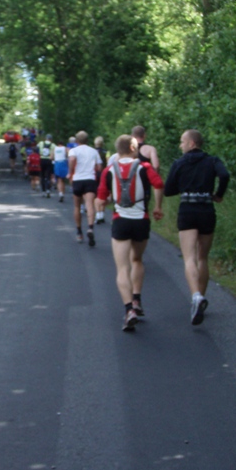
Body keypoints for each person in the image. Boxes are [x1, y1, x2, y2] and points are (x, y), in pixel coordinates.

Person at [97, 135, 164, 330]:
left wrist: (105, 204)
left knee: (122, 268)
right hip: (141, 221)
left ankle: (129, 310)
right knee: (137, 260)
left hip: (121, 222)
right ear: (134, 147)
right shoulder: (145, 167)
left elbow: (101, 199)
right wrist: (157, 207)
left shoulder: (109, 170)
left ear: (117, 149)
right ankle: (136, 299)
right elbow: (159, 184)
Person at [164, 129, 229, 324]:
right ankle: (201, 294)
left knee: (189, 257)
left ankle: (196, 297)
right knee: (202, 257)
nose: (180, 145)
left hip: (188, 210)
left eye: (182, 142)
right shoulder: (212, 161)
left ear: (192, 143)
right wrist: (219, 194)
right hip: (207, 210)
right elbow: (224, 175)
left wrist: (182, 186)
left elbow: (168, 190)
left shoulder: (179, 163)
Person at [68, 131, 102, 246]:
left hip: (77, 179)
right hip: (90, 180)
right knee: (89, 204)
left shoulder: (73, 150)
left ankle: (79, 232)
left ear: (77, 141)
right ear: (88, 140)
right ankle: (90, 228)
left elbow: (72, 160)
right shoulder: (94, 151)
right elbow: (99, 167)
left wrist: (70, 172)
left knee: (77, 206)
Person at [93, 137, 109, 224]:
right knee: (103, 194)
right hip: (104, 174)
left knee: (96, 195)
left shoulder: (92, 152)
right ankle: (102, 214)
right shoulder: (106, 152)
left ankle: (98, 214)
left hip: (95, 174)